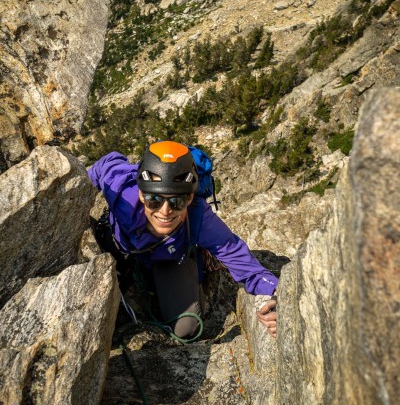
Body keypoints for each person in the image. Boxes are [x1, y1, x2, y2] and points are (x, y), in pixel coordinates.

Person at [88, 140, 278, 338]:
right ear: (141, 195)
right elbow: (107, 162)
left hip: (168, 259)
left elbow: (249, 269)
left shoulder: (200, 218)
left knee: (186, 328)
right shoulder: (121, 192)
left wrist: (278, 298)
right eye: (154, 199)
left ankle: (197, 258)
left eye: (177, 201)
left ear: (189, 199)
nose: (165, 211)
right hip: (119, 248)